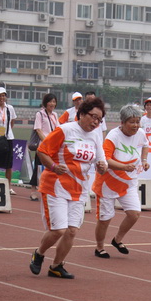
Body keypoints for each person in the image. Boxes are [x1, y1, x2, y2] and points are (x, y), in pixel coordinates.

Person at [29, 98, 108, 279]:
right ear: (81, 114)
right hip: (56, 186)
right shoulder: (65, 130)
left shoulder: (96, 135)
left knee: (72, 230)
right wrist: (54, 166)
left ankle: (56, 266)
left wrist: (102, 166)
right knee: (59, 230)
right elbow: (42, 151)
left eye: (99, 119)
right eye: (93, 116)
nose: (96, 121)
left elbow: (100, 160)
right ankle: (39, 253)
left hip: (79, 189)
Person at [92, 104, 150, 258]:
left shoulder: (141, 133)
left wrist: (144, 160)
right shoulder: (113, 136)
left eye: (138, 122)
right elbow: (105, 159)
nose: (136, 125)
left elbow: (145, 145)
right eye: (132, 122)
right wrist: (124, 167)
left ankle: (117, 240)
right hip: (108, 183)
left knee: (134, 214)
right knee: (105, 218)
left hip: (128, 182)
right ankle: (99, 247)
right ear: (123, 122)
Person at [29, 93, 59, 201]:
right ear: (45, 103)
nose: (52, 104)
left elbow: (57, 130)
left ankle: (47, 190)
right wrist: (47, 142)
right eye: (50, 101)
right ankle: (33, 191)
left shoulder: (55, 115)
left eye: (54, 102)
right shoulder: (40, 114)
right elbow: (38, 129)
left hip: (53, 147)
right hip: (43, 146)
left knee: (50, 168)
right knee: (38, 168)